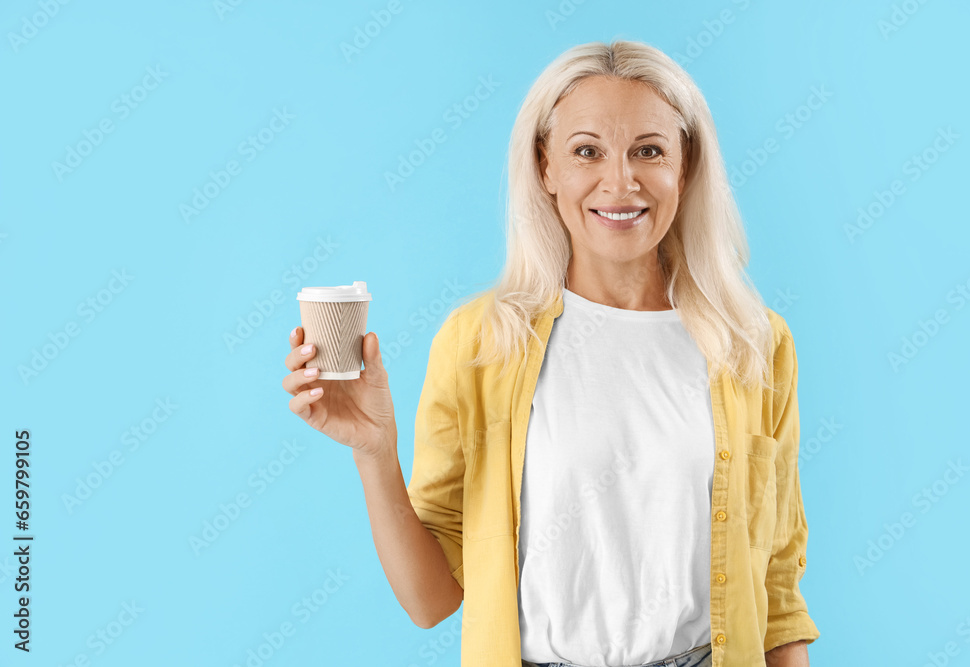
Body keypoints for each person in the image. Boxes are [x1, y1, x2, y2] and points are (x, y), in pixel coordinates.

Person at [282, 39, 819, 667]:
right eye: (586, 151)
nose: (620, 182)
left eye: (649, 151)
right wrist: (374, 452)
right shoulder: (480, 344)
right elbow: (430, 601)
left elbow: (778, 592)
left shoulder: (753, 344)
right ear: (545, 167)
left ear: (687, 165)